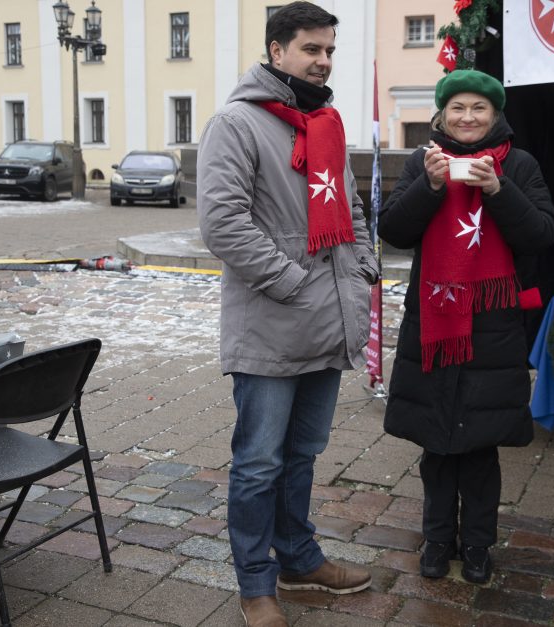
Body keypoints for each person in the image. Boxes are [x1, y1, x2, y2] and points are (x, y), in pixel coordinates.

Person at [197, 3, 378, 625]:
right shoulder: (237, 123)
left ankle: (299, 556)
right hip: (272, 324)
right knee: (258, 463)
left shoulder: (324, 121)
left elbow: (350, 210)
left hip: (327, 321)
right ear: (277, 51)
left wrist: (359, 271)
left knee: (302, 455)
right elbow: (223, 224)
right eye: (310, 49)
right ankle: (256, 582)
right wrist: (295, 283)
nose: (323, 61)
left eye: (329, 50)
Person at [377, 69, 554, 584]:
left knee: (479, 448)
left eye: (479, 108)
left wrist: (499, 190)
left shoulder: (519, 166)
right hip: (433, 324)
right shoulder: (422, 162)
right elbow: (392, 230)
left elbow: (542, 234)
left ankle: (478, 545)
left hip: (493, 327)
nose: (468, 117)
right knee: (437, 445)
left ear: (495, 115)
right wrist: (431, 186)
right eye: (457, 107)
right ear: (441, 115)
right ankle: (437, 539)